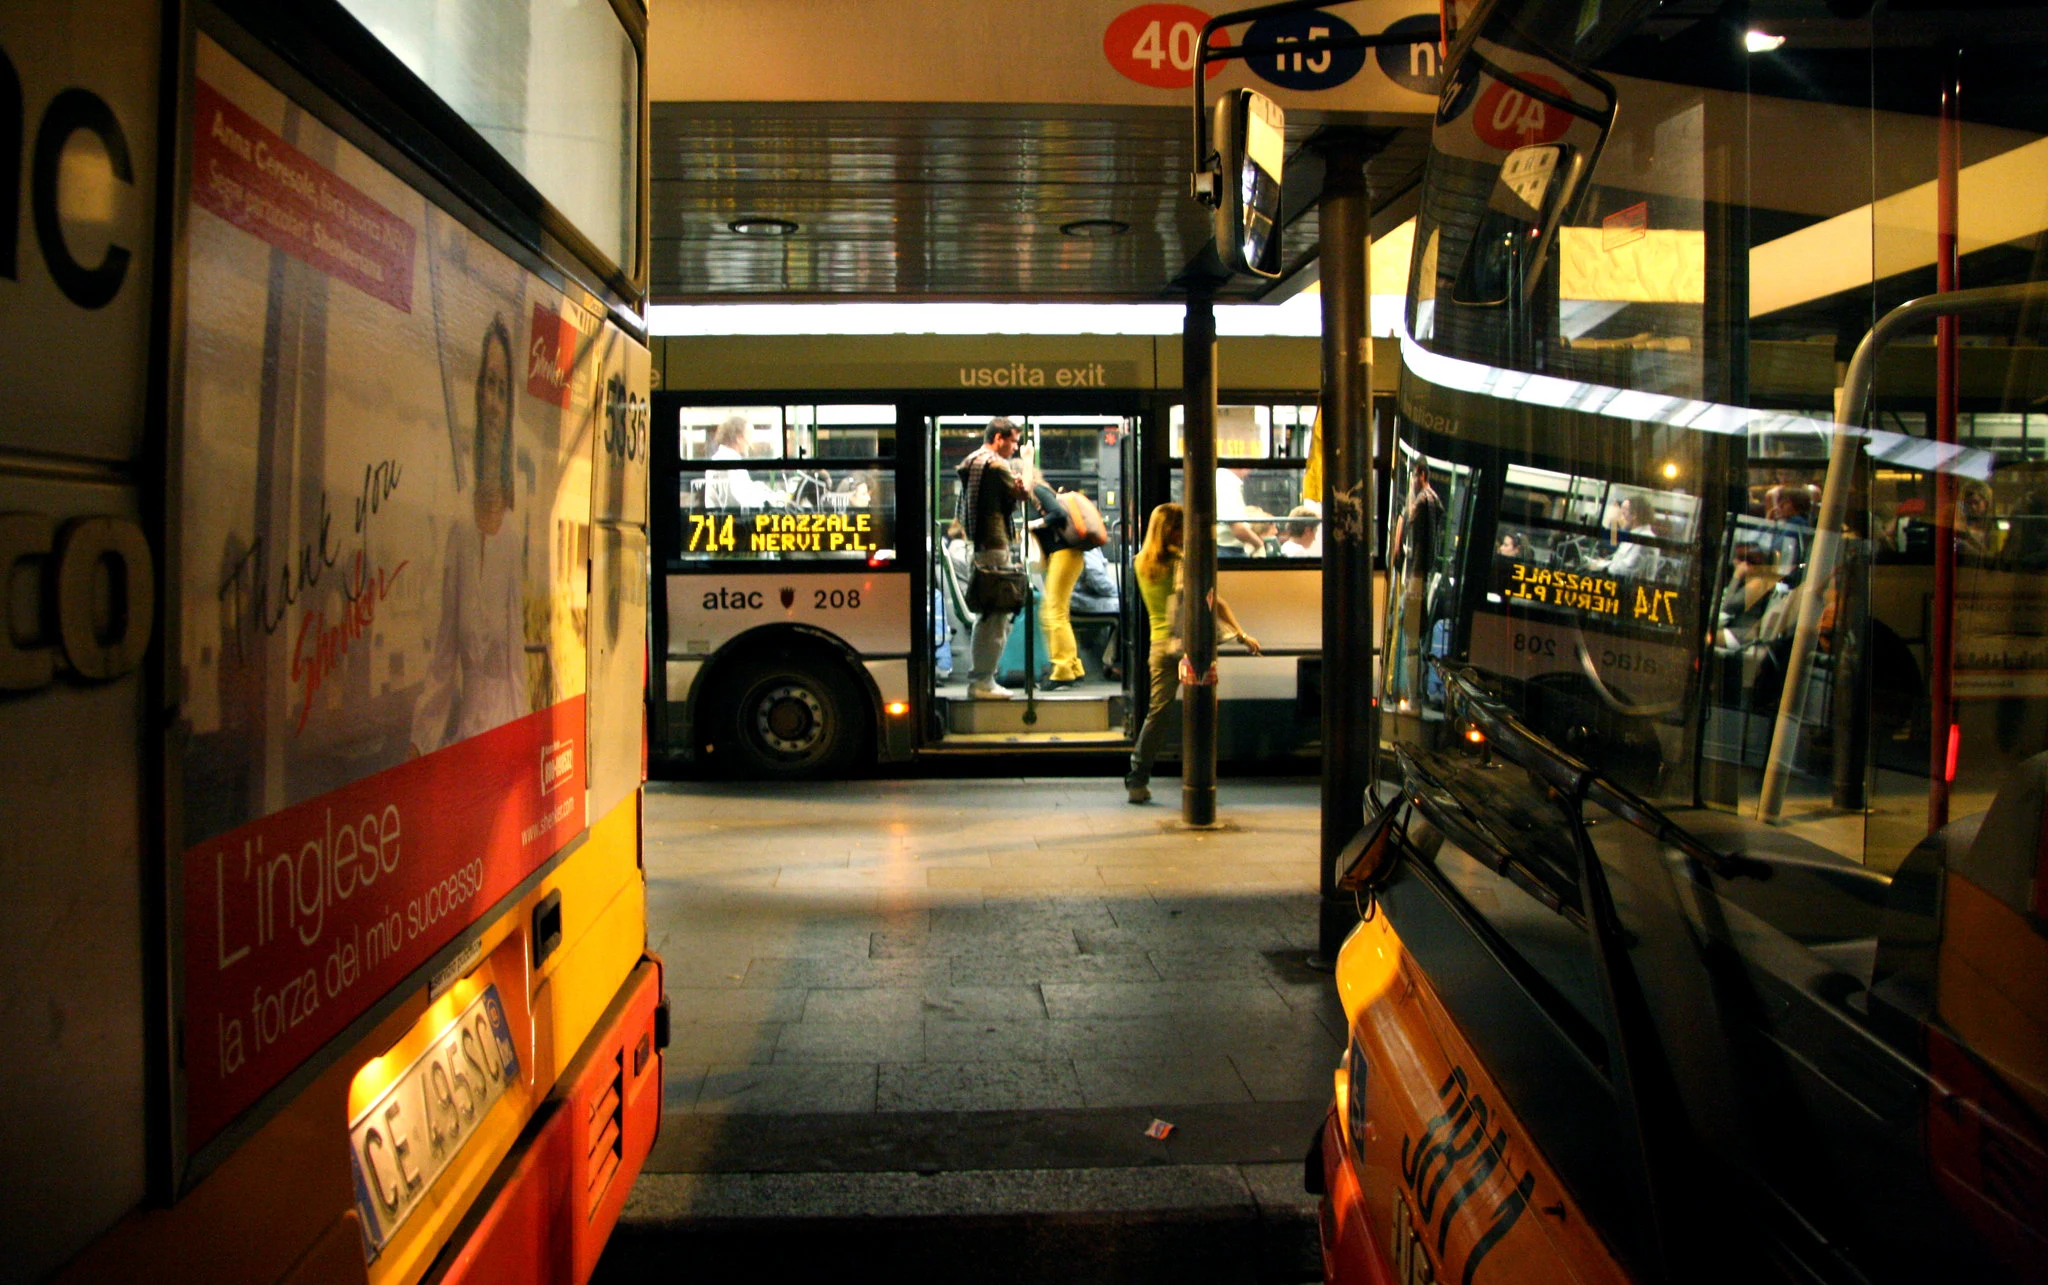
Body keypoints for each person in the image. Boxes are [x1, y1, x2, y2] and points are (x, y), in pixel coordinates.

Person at [414, 316, 528, 755]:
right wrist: (419, 743)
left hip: (504, 739)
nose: (492, 401)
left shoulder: (513, 536)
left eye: (501, 389)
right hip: (467, 743)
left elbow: (516, 666)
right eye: (487, 384)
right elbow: (444, 657)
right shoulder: (460, 530)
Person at [1124, 502, 1261, 804]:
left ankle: (1137, 779)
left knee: (1157, 714)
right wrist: (1241, 634)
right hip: (1192, 648)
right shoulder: (1186, 562)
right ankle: (1201, 777)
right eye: (1183, 527)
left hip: (1159, 646)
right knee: (1201, 710)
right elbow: (1215, 602)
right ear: (1172, 530)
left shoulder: (1139, 562)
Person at [957, 419, 1028, 699]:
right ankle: (983, 681)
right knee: (995, 617)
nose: (1015, 448)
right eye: (1013, 442)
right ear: (999, 438)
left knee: (985, 616)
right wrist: (1027, 475)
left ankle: (981, 678)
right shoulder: (996, 465)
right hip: (994, 547)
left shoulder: (973, 460)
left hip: (978, 544)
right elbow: (1022, 494)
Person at [1027, 481, 1089, 689]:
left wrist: (1033, 525)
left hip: (1064, 555)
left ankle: (1062, 671)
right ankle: (1073, 666)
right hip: (1065, 556)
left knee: (1051, 613)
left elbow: (1057, 515)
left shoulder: (1037, 490)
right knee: (1059, 613)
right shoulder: (1032, 498)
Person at [707, 414, 767, 508]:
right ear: (739, 438)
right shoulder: (729, 461)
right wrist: (767, 501)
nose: (750, 443)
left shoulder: (721, 457)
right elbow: (739, 501)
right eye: (749, 437)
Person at [1597, 494, 1659, 578]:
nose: (1621, 518)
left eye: (1624, 513)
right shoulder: (1633, 535)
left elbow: (1627, 569)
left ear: (1634, 515)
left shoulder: (1645, 538)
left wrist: (1602, 566)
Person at [1216, 466, 1264, 555]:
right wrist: (1258, 544)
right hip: (1227, 551)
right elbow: (1238, 528)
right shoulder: (1227, 482)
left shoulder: (1224, 480)